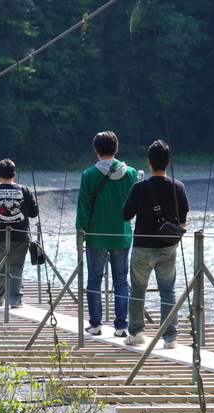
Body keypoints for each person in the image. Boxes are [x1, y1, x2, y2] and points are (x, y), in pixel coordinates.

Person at [122, 140, 189, 349]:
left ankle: (136, 334)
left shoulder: (139, 187)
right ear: (168, 162)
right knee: (167, 290)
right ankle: (170, 338)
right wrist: (175, 241)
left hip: (142, 246)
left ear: (148, 162)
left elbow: (126, 215)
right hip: (168, 247)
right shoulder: (178, 187)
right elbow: (183, 222)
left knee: (137, 290)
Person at [76, 131, 138, 337]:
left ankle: (96, 324)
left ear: (96, 150)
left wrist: (81, 235)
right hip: (122, 234)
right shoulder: (130, 173)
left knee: (94, 281)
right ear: (116, 149)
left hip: (96, 236)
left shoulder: (89, 175)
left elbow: (83, 208)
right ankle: (121, 326)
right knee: (121, 280)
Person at [0, 158, 39, 308]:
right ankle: (15, 300)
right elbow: (33, 213)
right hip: (20, 236)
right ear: (14, 175)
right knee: (16, 267)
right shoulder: (25, 191)